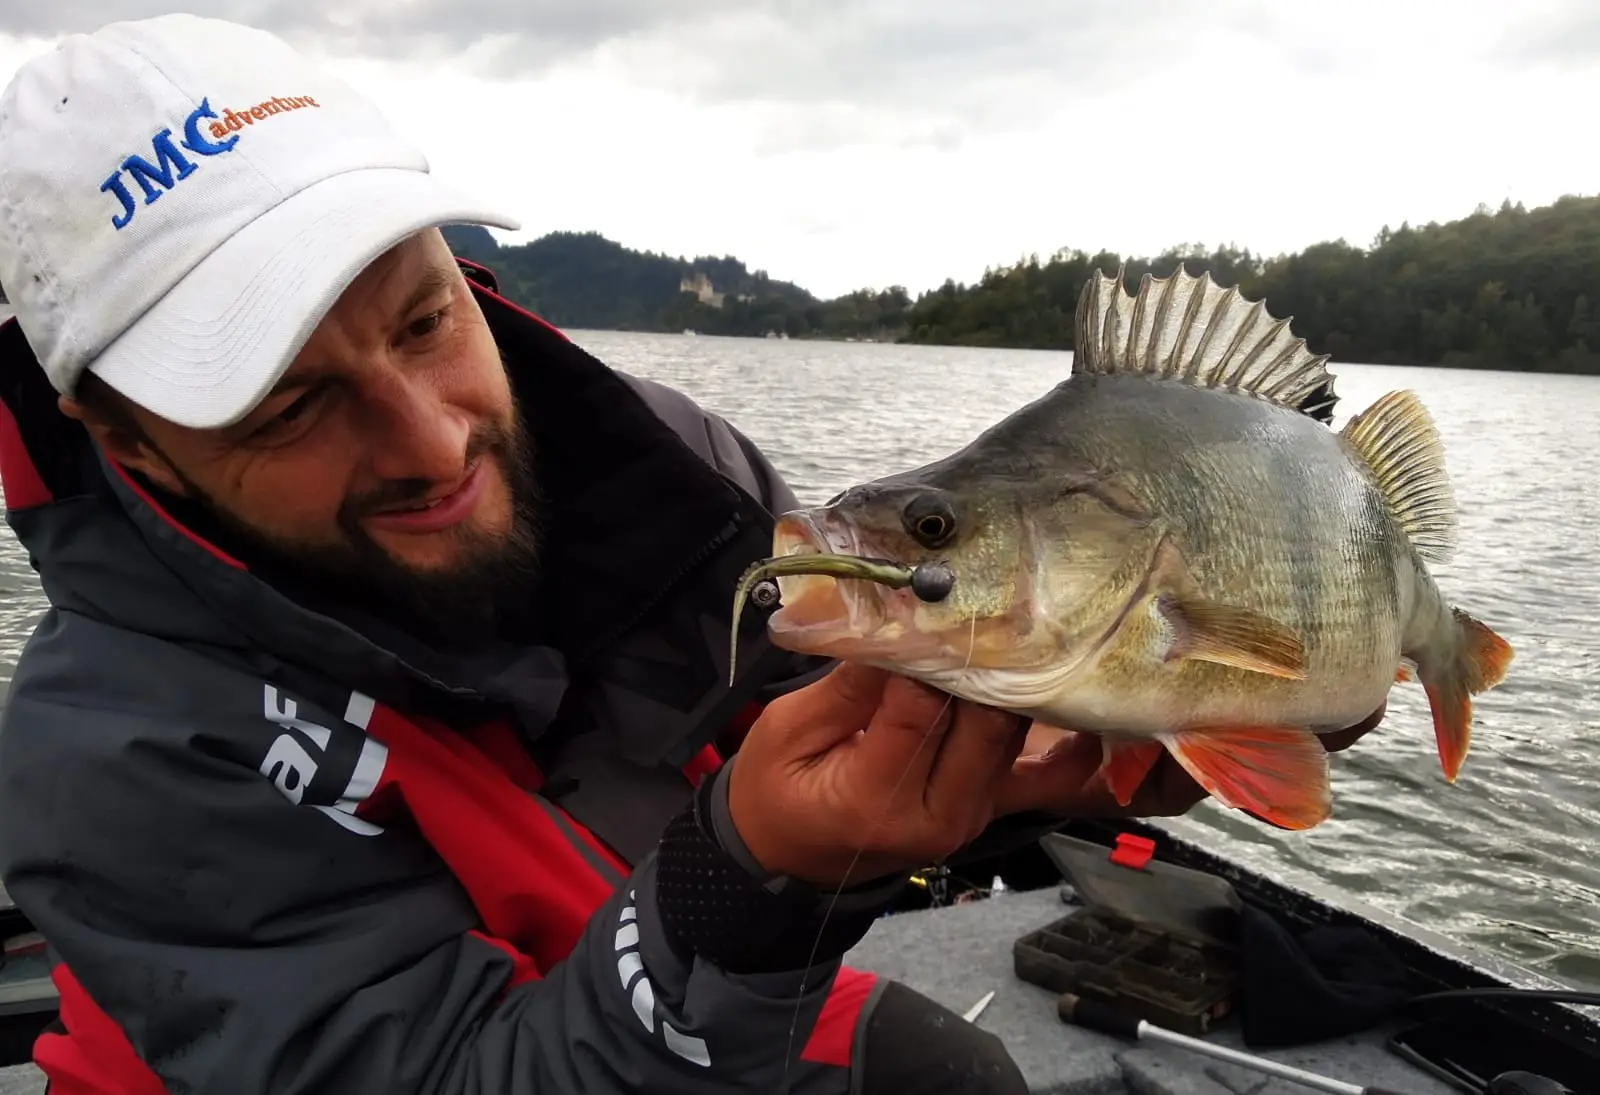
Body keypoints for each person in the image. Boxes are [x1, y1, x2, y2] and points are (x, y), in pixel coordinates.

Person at [0, 14, 1383, 1095]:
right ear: (125, 438)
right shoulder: (110, 757)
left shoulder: (672, 470)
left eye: (425, 321)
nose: (431, 442)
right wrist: (745, 881)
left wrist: (1022, 775)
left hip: (672, 984)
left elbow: (839, 748)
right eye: (292, 404)